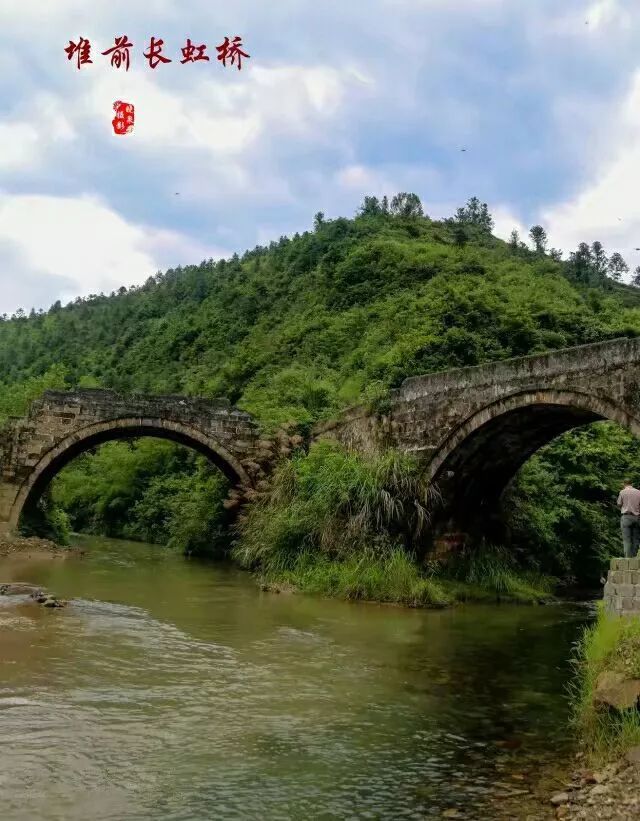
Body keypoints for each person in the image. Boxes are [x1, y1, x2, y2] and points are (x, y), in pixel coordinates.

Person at [617, 479, 640, 558]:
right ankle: (634, 558)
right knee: (636, 539)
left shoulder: (622, 492)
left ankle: (627, 559)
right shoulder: (638, 492)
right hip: (637, 517)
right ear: (632, 483)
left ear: (624, 484)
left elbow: (619, 503)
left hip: (626, 517)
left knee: (627, 539)